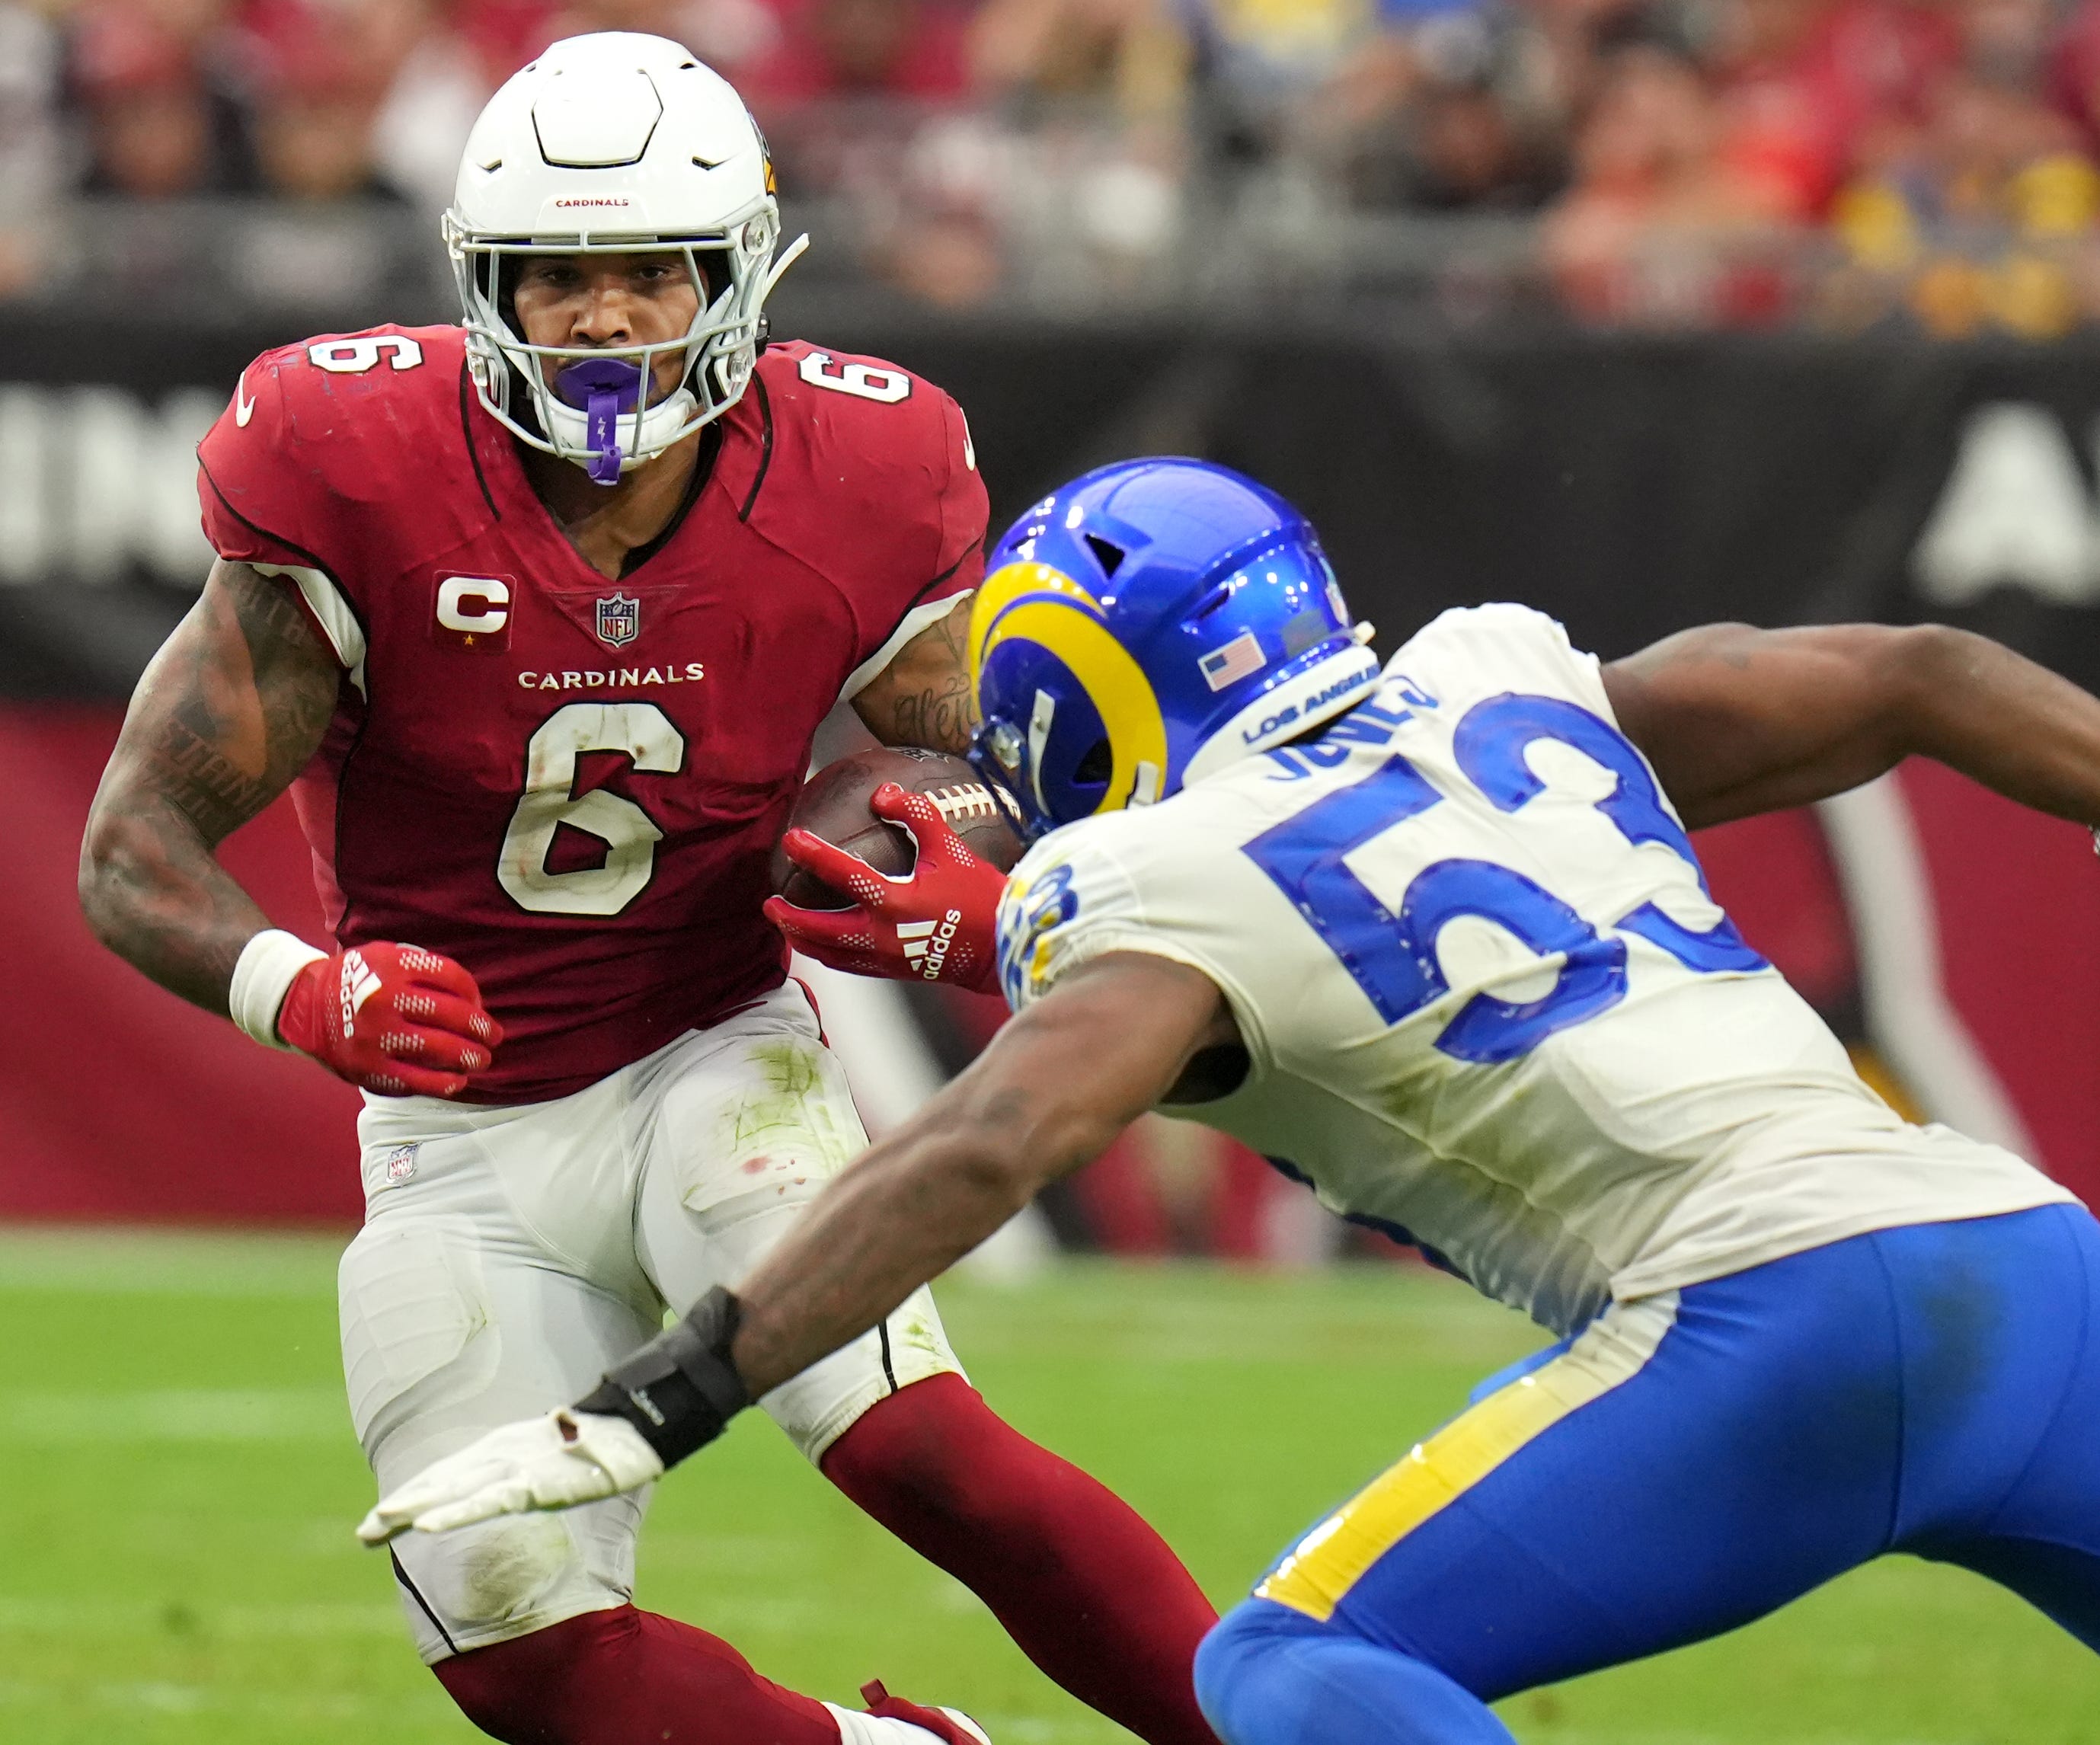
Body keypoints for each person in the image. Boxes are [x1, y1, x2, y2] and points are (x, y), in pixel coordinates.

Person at [366, 455, 2100, 1743]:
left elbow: (1000, 1135)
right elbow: (1917, 679)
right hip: (2023, 1265)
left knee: (1285, 1673)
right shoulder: (1493, 685)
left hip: (1765, 1326)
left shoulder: (1148, 877)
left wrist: (663, 1396)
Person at [77, 37, 1226, 1745]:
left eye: (647, 273)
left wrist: (951, 845)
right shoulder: (353, 458)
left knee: (918, 1450)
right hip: (454, 1131)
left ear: (736, 277)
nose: (604, 318)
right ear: (488, 287)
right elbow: (132, 850)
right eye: (559, 276)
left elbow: (1032, 746)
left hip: (710, 1055)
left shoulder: (863, 467)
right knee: (515, 1658)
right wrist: (304, 993)